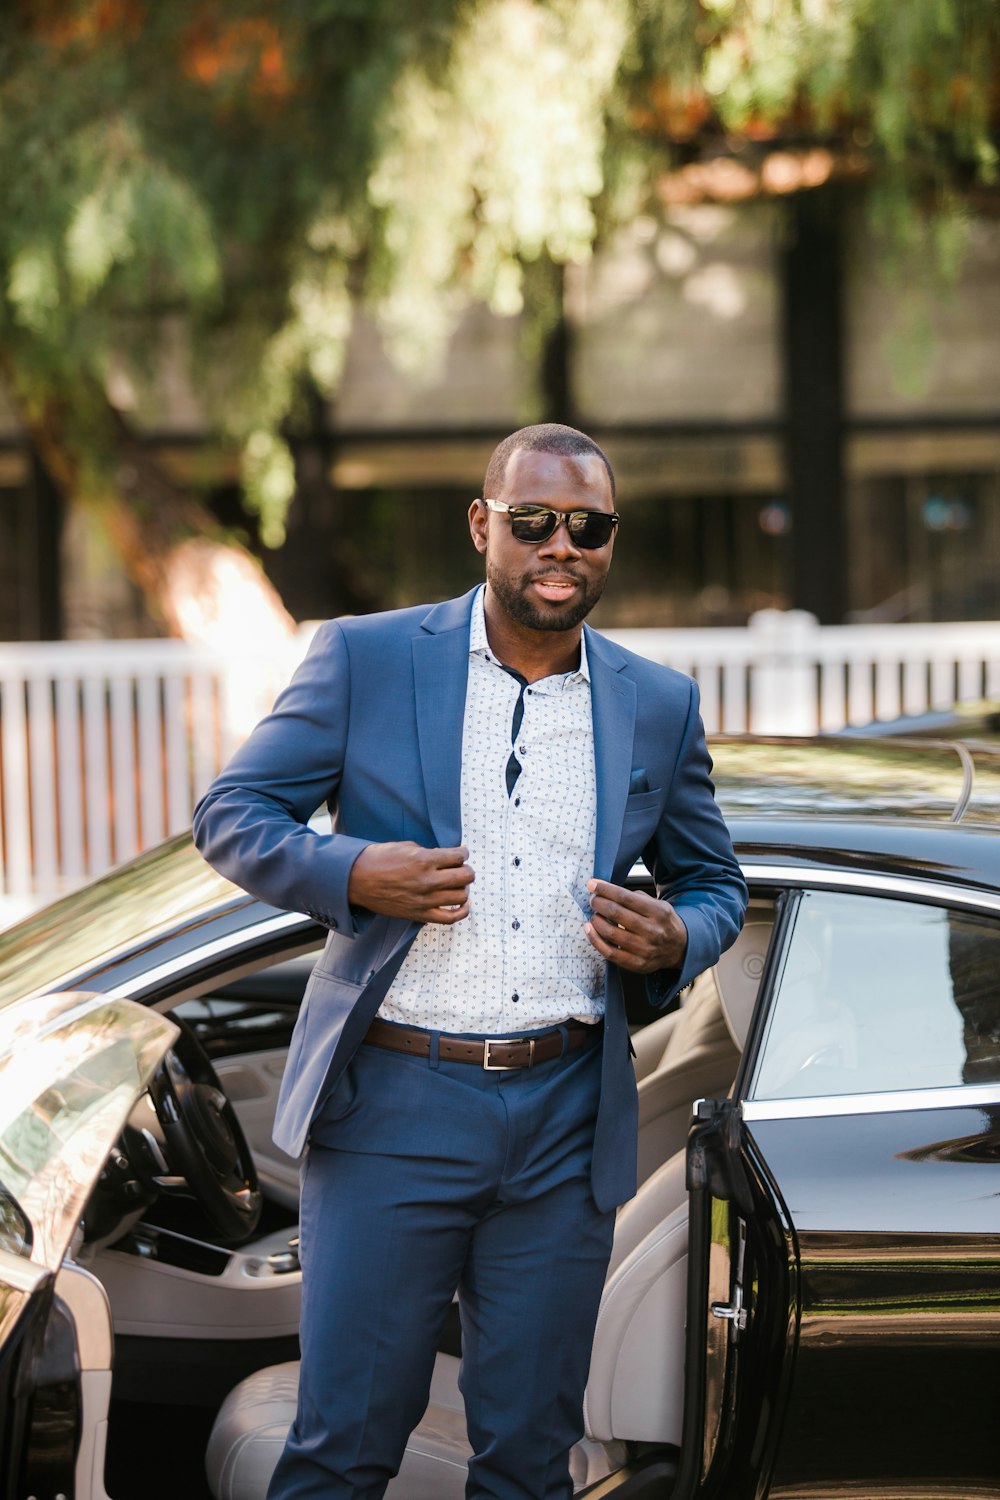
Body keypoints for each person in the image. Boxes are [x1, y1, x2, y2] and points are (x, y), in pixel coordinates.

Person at [192, 422, 747, 1500]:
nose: (561, 545)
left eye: (588, 527)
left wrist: (680, 936)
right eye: (534, 520)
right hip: (395, 1102)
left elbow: (714, 883)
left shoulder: (658, 705)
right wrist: (355, 873)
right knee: (342, 1444)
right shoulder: (367, 656)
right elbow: (232, 813)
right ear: (482, 524)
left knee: (531, 1460)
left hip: (563, 1119)